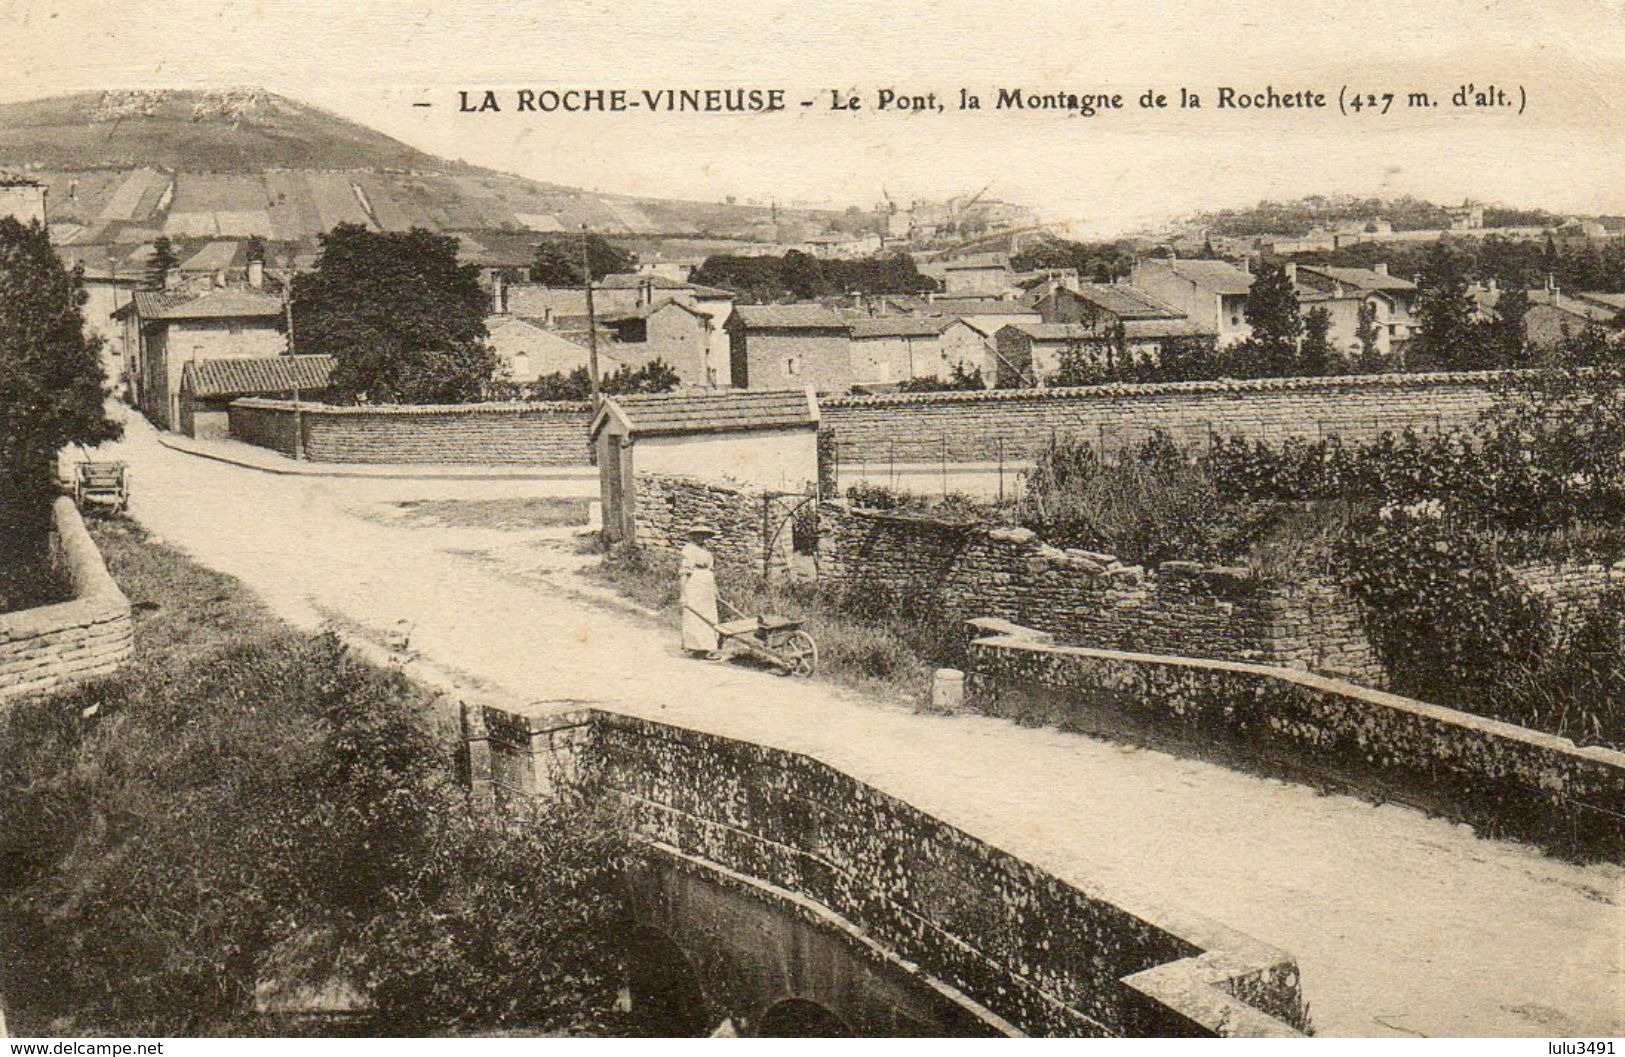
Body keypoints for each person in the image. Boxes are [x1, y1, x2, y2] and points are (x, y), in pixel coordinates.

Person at [680, 524, 722, 659]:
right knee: (696, 616)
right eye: (698, 534)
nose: (701, 537)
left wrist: (715, 589)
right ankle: (700, 647)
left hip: (707, 587)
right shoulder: (689, 550)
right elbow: (684, 573)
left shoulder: (705, 550)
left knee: (708, 615)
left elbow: (711, 570)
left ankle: (706, 646)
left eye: (703, 534)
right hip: (695, 585)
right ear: (692, 535)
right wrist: (683, 594)